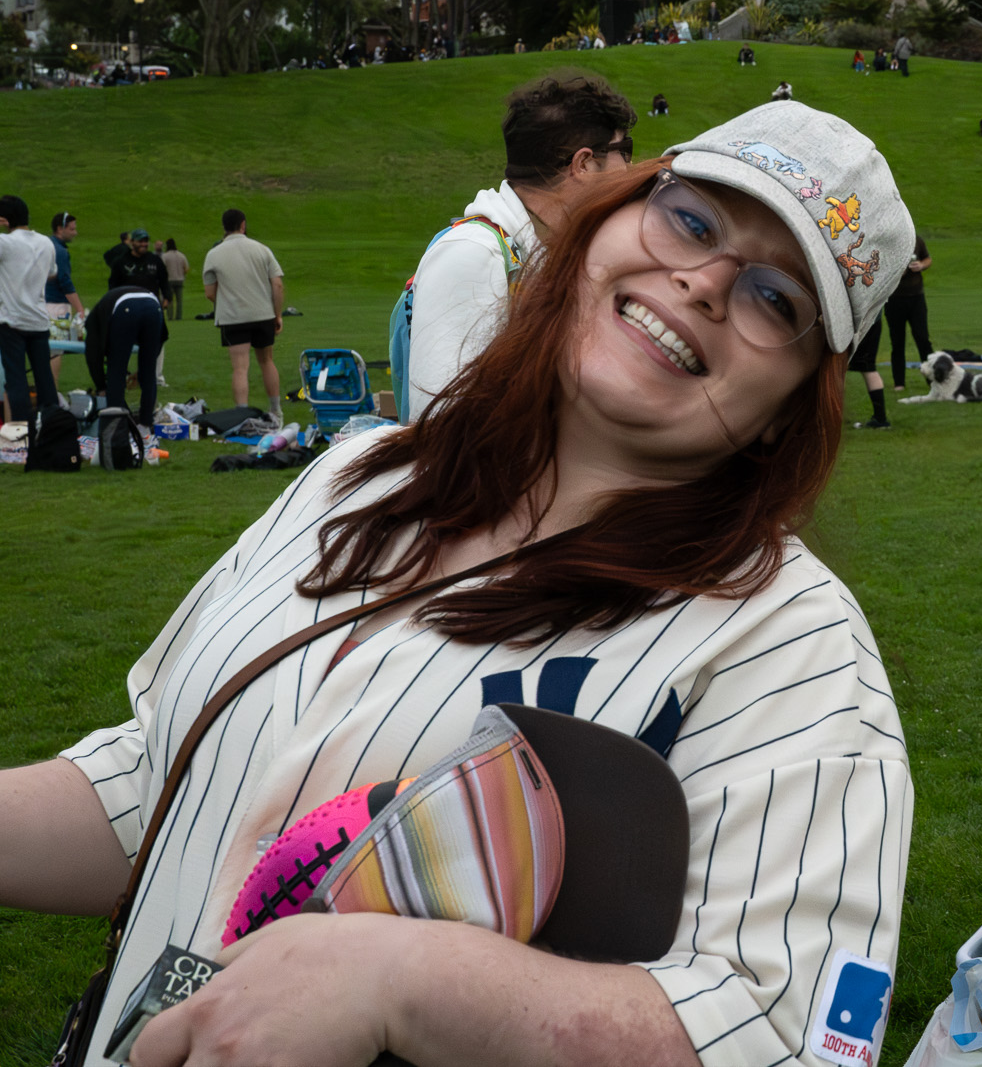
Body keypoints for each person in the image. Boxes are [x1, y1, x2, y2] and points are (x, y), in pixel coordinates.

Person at [2, 100, 915, 1067]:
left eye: (775, 297)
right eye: (690, 219)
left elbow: (782, 1030)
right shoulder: (356, 477)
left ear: (791, 406)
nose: (700, 281)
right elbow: (169, 781)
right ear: (602, 221)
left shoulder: (790, 641)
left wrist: (404, 982)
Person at [406, 72, 635, 421]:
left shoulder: (544, 255)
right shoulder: (474, 254)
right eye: (626, 151)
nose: (632, 168)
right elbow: (441, 424)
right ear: (585, 165)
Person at [202, 208, 285, 420]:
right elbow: (277, 284)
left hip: (233, 317)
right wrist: (277, 314)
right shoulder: (262, 250)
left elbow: (210, 293)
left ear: (224, 227)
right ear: (243, 225)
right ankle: (275, 410)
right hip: (262, 314)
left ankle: (242, 414)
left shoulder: (214, 254)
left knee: (240, 368)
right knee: (266, 361)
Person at [0, 194, 58, 421]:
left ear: (5, 220)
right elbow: (52, 273)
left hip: (11, 320)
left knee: (16, 379)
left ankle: (23, 429)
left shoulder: (6, 243)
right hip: (38, 320)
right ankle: (51, 425)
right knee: (44, 377)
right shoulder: (46, 242)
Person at [84, 282, 167, 422]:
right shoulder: (104, 308)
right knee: (149, 374)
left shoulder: (93, 321)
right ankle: (145, 426)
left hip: (125, 308)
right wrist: (142, 370)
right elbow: (161, 338)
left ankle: (117, 427)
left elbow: (93, 356)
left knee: (116, 370)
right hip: (153, 305)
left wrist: (101, 386)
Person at [885, 233, 933, 391]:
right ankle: (899, 383)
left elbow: (928, 259)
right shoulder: (890, 243)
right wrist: (899, 271)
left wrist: (921, 265)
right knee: (897, 342)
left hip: (916, 297)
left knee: (922, 338)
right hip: (895, 299)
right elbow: (882, 267)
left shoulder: (917, 240)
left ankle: (932, 379)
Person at [45, 210, 83, 383]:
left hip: (43, 302)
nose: (75, 233)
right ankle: (52, 391)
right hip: (56, 306)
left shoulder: (47, 244)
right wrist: (79, 308)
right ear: (60, 229)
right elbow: (65, 281)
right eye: (72, 229)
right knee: (56, 349)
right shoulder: (60, 251)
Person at [159, 237, 189, 320]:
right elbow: (186, 268)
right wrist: (182, 274)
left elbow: (162, 268)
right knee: (179, 301)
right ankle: (178, 316)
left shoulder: (165, 256)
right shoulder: (181, 255)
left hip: (169, 280)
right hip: (179, 280)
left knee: (170, 299)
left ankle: (170, 316)